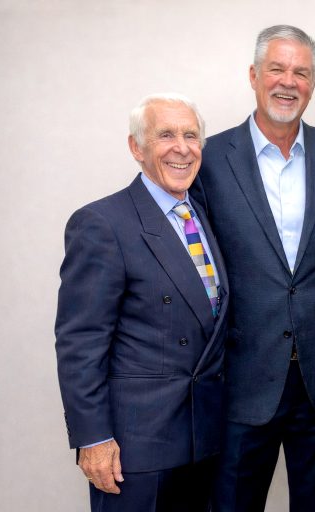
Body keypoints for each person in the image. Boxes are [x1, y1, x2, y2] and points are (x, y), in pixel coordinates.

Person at [191, 25, 315, 512]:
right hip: (241, 379)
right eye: (277, 68)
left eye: (301, 72)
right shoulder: (209, 161)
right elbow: (196, 269)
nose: (288, 81)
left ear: (314, 83)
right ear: (253, 75)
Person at [55, 93, 229, 511]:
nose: (182, 147)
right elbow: (80, 342)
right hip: (135, 450)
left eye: (191, 135)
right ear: (136, 147)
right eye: (165, 135)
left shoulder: (204, 216)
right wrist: (93, 439)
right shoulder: (102, 223)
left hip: (202, 440)